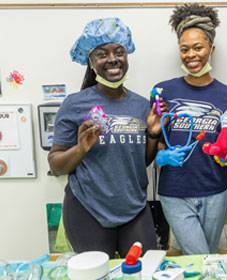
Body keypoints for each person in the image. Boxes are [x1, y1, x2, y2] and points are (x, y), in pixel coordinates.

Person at [48, 18, 167, 258]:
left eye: (119, 52)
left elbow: (139, 162)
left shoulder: (141, 105)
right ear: (91, 63)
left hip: (134, 206)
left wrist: (153, 133)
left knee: (142, 270)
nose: (112, 59)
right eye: (102, 54)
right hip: (88, 208)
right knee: (96, 273)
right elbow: (56, 165)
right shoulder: (74, 104)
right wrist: (80, 148)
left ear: (126, 57)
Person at [152, 4, 227, 255]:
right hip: (174, 191)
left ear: (211, 48)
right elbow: (155, 136)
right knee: (200, 256)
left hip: (215, 190)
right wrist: (160, 155)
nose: (191, 55)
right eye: (184, 49)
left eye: (198, 47)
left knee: (206, 258)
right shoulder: (163, 92)